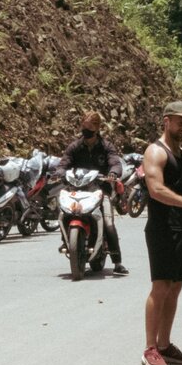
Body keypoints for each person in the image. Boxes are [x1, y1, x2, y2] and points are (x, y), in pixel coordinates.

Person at [140, 100, 182, 365]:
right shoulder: (156, 152)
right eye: (180, 121)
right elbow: (156, 189)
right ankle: (150, 348)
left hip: (180, 226)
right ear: (166, 120)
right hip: (161, 227)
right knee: (161, 286)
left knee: (175, 286)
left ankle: (165, 345)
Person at [63, 112, 127, 274]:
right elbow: (64, 162)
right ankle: (67, 242)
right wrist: (58, 172)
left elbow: (115, 162)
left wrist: (113, 173)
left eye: (90, 128)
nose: (86, 131)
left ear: (98, 128)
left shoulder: (106, 147)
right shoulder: (75, 147)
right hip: (77, 190)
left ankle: (117, 262)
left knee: (108, 223)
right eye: (84, 127)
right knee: (64, 213)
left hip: (100, 191)